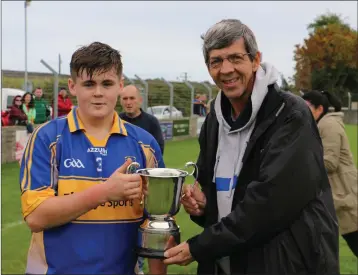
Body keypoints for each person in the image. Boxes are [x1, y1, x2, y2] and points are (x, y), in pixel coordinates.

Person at [163, 19, 339, 274]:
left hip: (283, 263)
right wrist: (203, 207)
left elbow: (269, 204)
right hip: (225, 262)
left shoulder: (290, 114)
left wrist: (200, 247)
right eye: (216, 61)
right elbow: (220, 194)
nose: (226, 69)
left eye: (235, 58)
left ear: (255, 60)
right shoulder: (215, 119)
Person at [19, 42, 167, 274]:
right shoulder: (47, 138)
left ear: (120, 86)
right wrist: (105, 192)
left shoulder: (145, 144)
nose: (98, 92)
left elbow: (157, 223)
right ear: (72, 86)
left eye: (106, 83)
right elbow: (36, 217)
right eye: (89, 84)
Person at [302, 90, 358, 257]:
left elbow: (330, 162)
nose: (303, 111)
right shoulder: (322, 124)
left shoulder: (329, 125)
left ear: (319, 108)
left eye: (306, 107)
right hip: (339, 196)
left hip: (345, 196)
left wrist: (301, 164)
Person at [119, 84, 165, 154]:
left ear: (140, 100)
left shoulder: (152, 122)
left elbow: (159, 150)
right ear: (120, 101)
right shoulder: (116, 120)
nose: (128, 102)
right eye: (125, 99)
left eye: (132, 98)